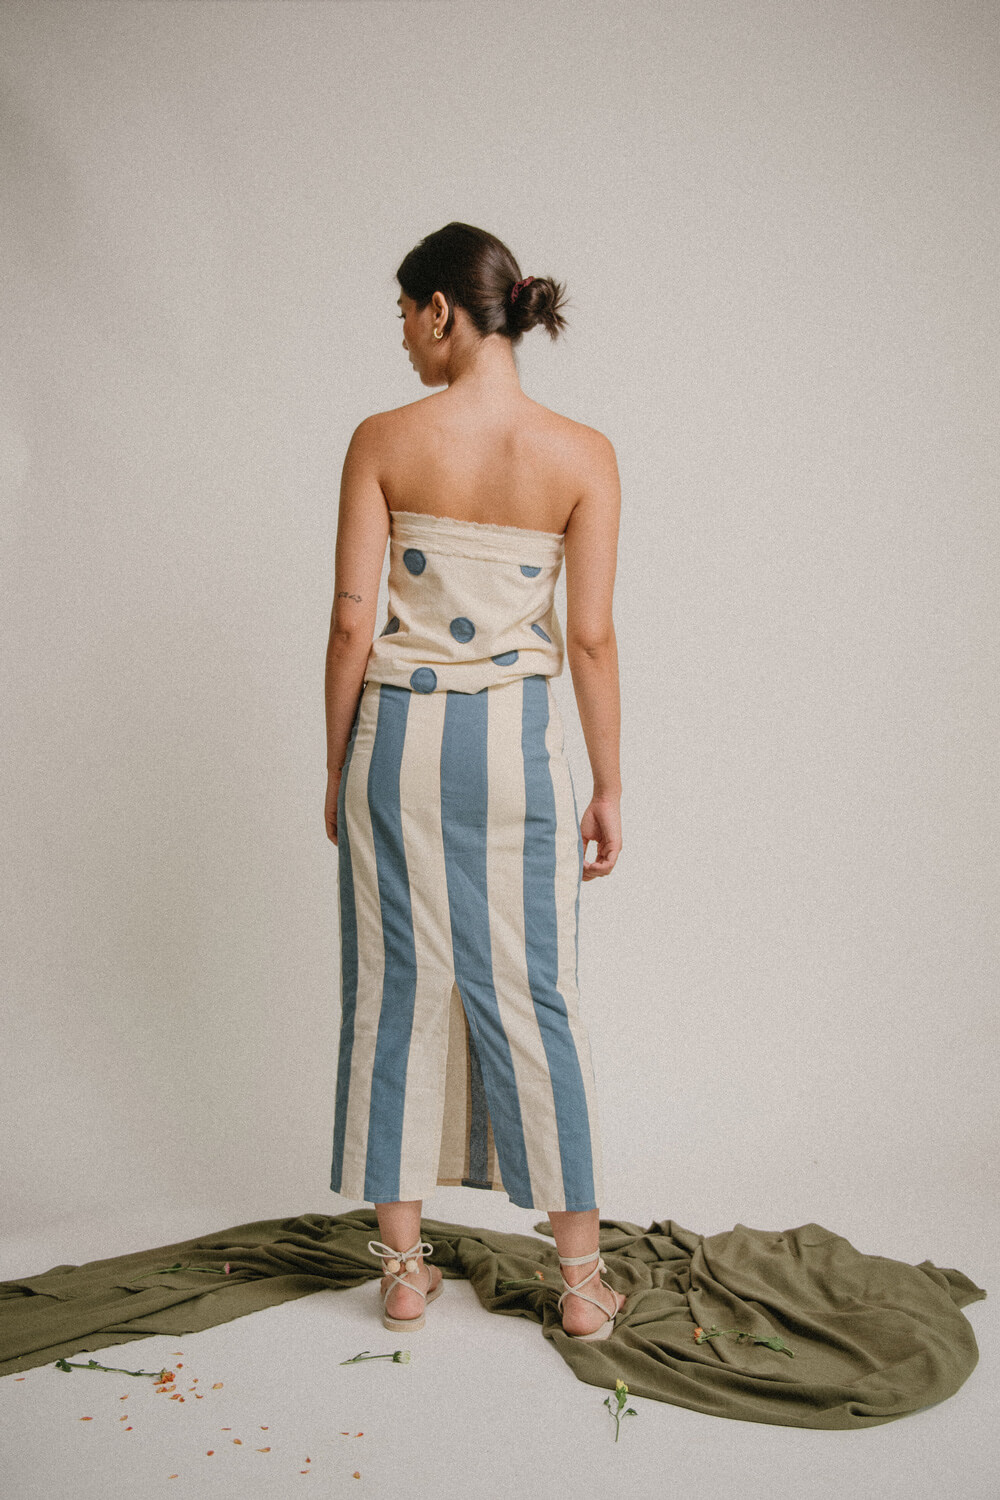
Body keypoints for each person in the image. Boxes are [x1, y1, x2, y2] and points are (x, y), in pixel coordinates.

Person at [324, 222, 624, 1340]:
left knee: (394, 988)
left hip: (396, 746)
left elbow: (351, 625)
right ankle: (581, 1283)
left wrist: (335, 767)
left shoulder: (382, 439)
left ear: (443, 309)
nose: (403, 336)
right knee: (540, 997)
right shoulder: (583, 454)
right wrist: (609, 785)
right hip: (520, 753)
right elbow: (588, 638)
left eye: (406, 314)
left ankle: (404, 1273)